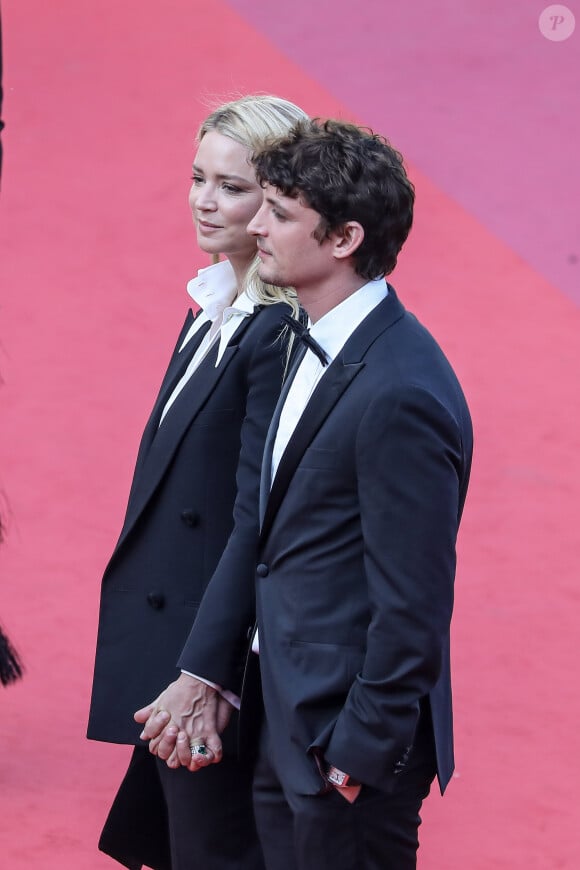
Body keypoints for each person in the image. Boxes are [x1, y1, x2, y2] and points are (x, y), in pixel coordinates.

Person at [141, 119, 473, 870]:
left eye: (280, 213)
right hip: (287, 728)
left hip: (342, 755)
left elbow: (414, 602)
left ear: (346, 237)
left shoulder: (401, 392)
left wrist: (354, 755)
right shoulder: (300, 338)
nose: (255, 222)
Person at [87, 95, 308, 870]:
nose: (205, 202)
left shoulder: (277, 333)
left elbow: (256, 516)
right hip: (175, 646)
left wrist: (210, 672)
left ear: (280, 203)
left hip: (210, 665)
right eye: (197, 178)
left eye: (233, 187)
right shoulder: (214, 305)